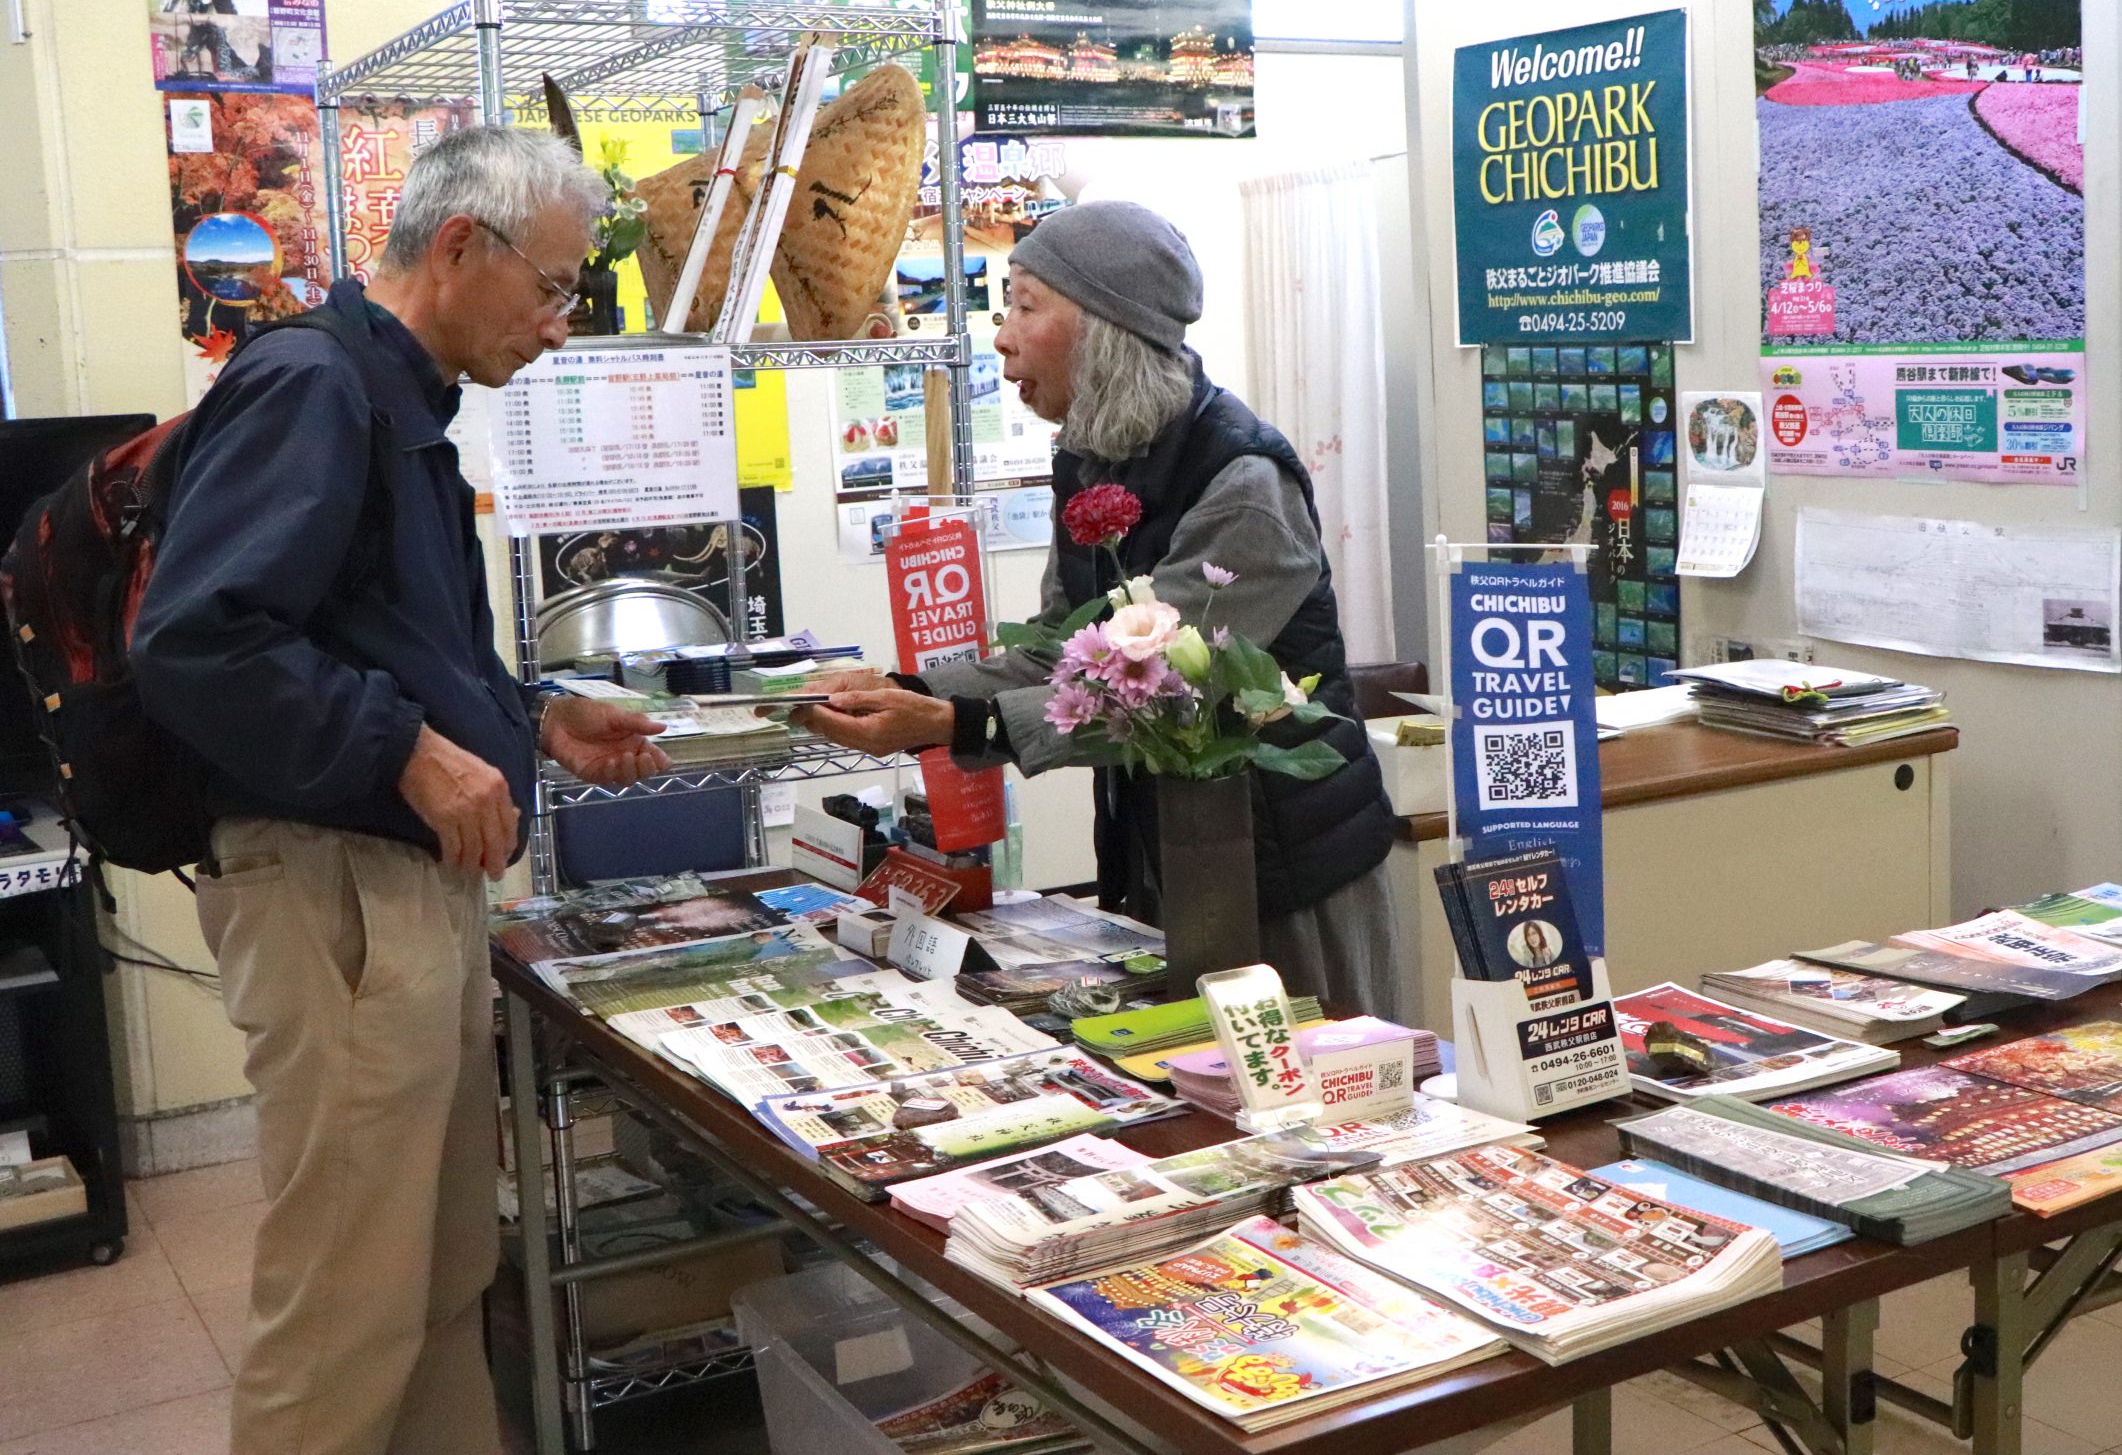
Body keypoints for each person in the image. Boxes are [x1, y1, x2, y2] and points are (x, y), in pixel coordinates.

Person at [130, 127, 673, 1455]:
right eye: (552, 286)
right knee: (346, 1305)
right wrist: (403, 749)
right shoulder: (317, 386)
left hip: (399, 896)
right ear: (457, 247)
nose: (560, 324)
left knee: (434, 1281)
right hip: (337, 900)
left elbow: (381, 643)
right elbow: (199, 640)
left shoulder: (403, 405)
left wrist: (529, 720)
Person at [800, 201, 1411, 1021]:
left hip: (1290, 870)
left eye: (1025, 304)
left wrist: (950, 723)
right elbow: (1059, 651)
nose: (1002, 335)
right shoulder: (1093, 457)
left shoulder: (1244, 484)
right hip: (1171, 851)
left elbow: (1146, 689)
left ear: (1108, 327)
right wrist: (899, 687)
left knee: (1313, 1101)